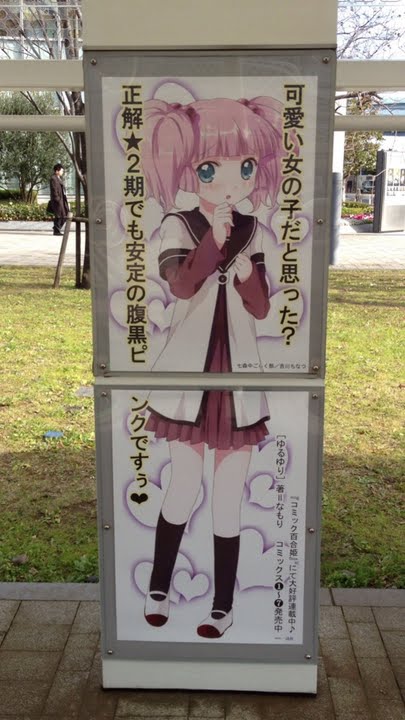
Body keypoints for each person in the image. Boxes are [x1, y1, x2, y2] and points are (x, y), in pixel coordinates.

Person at [140, 96, 287, 638]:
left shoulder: (255, 230)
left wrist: (248, 275)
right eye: (210, 168)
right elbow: (180, 286)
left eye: (245, 167)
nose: (231, 181)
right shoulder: (178, 224)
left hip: (237, 379)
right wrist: (213, 244)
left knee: (228, 497)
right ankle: (158, 586)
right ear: (187, 170)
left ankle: (222, 605)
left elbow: (262, 307)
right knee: (183, 485)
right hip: (190, 377)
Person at [49, 163, 69, 236]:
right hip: (57, 200)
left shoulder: (59, 178)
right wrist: (57, 199)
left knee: (64, 214)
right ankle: (56, 230)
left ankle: (56, 228)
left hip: (62, 199)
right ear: (57, 171)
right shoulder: (53, 178)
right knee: (59, 215)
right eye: (61, 171)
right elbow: (54, 190)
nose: (62, 172)